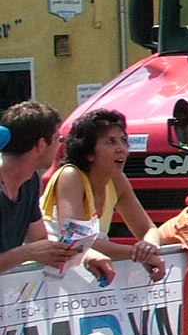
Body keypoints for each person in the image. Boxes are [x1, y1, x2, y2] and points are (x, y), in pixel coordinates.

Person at [40, 109, 165, 282]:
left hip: (77, 275)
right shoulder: (70, 175)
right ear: (89, 153)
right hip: (39, 276)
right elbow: (77, 241)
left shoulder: (117, 180)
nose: (121, 149)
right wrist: (137, 254)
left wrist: (149, 247)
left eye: (123, 140)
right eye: (110, 141)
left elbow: (150, 230)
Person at [0, 101, 73, 274]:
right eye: (57, 139)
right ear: (41, 145)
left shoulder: (30, 181)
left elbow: (39, 240)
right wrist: (28, 252)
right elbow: (34, 249)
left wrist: (87, 256)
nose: (60, 146)